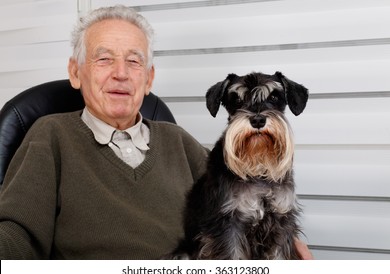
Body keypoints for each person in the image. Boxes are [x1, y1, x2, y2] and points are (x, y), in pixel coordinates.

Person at [0, 5, 312, 260]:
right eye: (104, 58)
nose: (121, 73)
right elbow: (17, 232)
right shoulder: (50, 135)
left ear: (148, 79)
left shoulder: (177, 139)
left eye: (134, 61)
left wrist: (296, 257)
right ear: (75, 72)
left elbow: (250, 211)